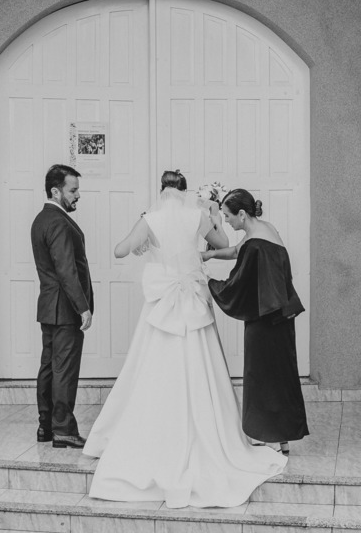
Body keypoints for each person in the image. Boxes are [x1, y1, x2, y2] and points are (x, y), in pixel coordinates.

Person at [83, 170, 286, 508]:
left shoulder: (150, 218)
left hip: (162, 304)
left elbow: (120, 251)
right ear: (185, 191)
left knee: (152, 369)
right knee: (201, 366)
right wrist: (212, 217)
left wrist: (143, 238)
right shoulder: (196, 217)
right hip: (192, 299)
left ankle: (152, 436)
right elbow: (222, 243)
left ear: (161, 190)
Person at [204, 188, 309, 454]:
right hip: (281, 316)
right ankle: (282, 438)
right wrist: (210, 255)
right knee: (281, 374)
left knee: (261, 375)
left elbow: (236, 284)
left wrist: (209, 283)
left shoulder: (254, 246)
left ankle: (266, 437)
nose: (226, 221)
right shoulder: (266, 230)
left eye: (228, 216)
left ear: (241, 214)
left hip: (264, 319)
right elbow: (235, 251)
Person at [31, 164, 94, 449]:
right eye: (73, 190)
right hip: (65, 308)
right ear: (56, 192)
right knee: (64, 371)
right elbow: (66, 270)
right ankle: (64, 430)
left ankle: (45, 426)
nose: (78, 195)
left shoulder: (41, 219)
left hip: (49, 307)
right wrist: (82, 307)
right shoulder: (58, 222)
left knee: (48, 367)